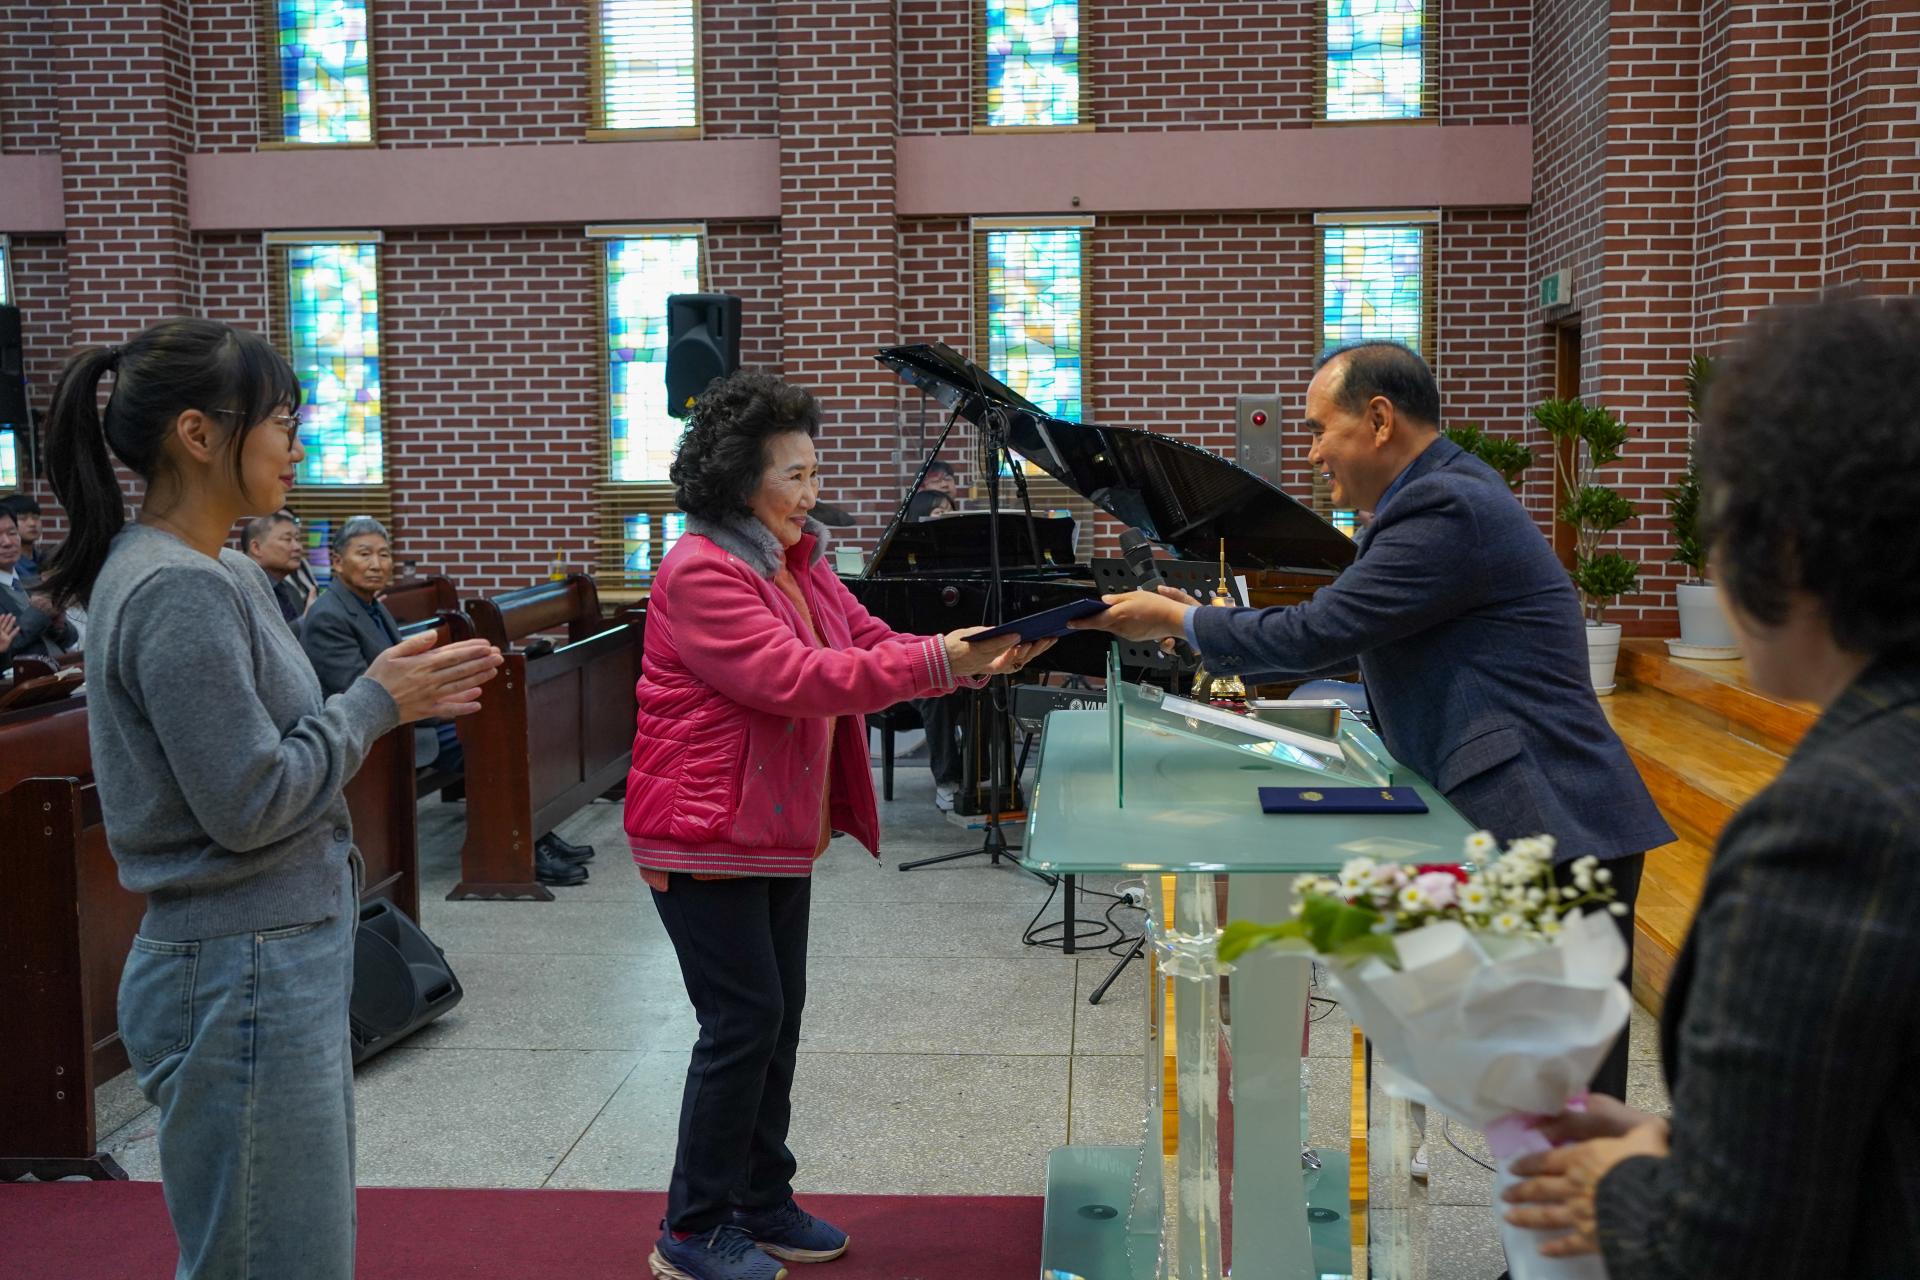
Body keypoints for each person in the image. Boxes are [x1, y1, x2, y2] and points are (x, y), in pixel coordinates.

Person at [1077, 341, 1672, 1106]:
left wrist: (1180, 620)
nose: (1312, 452)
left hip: (1550, 815)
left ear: (1380, 419)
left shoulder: (1443, 505)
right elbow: (1361, 633)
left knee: (1570, 1100)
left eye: (1320, 429)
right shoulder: (1438, 493)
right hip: (1539, 814)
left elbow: (1325, 630)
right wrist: (1211, 629)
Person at [35, 318, 500, 1280]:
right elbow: (247, 802)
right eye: (282, 422)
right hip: (237, 966)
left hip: (275, 950)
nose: (298, 446)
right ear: (199, 434)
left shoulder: (229, 570)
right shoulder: (174, 587)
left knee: (293, 1251)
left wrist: (378, 695)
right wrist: (375, 702)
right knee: (270, 1260)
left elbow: (274, 744)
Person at [1500, 295, 1920, 1276]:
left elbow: (1727, 1250)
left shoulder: (1841, 824)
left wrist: (1617, 1186)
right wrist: (1686, 1144)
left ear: (1785, 543)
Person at [625, 369, 1050, 1280]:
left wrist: (975, 657)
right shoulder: (702, 570)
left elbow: (866, 642)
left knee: (775, 1022)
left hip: (771, 826)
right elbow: (795, 678)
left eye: (815, 473)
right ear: (741, 480)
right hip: (703, 829)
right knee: (741, 1024)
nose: (812, 493)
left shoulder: (795, 561)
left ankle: (760, 1200)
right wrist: (938, 662)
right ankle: (689, 1230)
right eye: (795, 476)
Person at [301, 516, 590, 885]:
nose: (376, 564)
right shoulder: (329, 616)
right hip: (384, 734)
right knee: (493, 741)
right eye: (365, 554)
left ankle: (536, 836)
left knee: (511, 728)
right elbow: (361, 695)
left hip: (408, 719)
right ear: (338, 561)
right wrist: (440, 707)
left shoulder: (371, 605)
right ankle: (515, 851)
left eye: (384, 555)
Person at [901, 487, 963, 808]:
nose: (946, 518)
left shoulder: (960, 563)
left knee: (992, 689)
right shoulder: (901, 564)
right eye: (939, 512)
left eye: (950, 512)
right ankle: (947, 781)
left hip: (953, 656)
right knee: (937, 694)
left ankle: (981, 775)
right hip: (912, 659)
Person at [1, 504, 79, 663]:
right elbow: (6, 647)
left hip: (62, 670)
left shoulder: (34, 582)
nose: (7, 542)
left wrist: (59, 626)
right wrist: (40, 612)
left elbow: (72, 638)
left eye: (12, 533)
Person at [241, 508, 314, 626]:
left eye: (297, 539)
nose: (297, 547)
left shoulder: (289, 590)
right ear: (256, 548)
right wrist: (305, 620)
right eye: (287, 539)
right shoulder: (242, 591)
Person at [2, 492, 47, 574]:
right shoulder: (7, 566)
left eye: (36, 517)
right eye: (23, 518)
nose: (32, 523)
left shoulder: (47, 560)